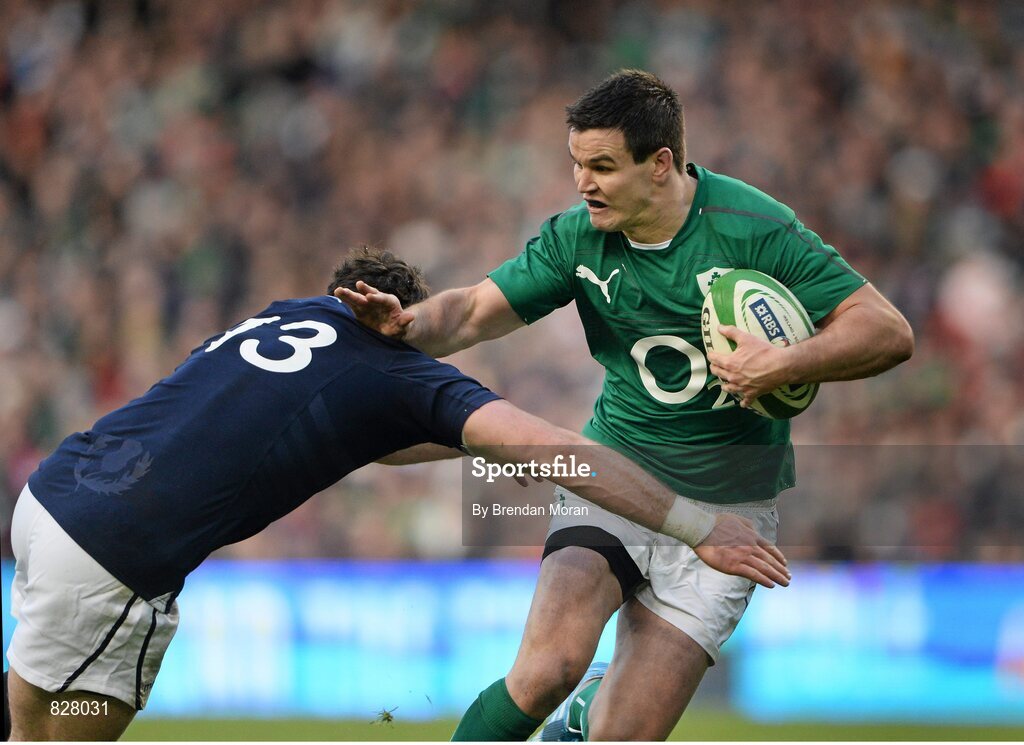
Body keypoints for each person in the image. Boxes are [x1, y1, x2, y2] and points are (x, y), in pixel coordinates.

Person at [3, 246, 789, 741]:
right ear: (410, 316)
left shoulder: (292, 317)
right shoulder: (403, 372)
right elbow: (560, 449)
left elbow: (365, 437)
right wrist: (694, 523)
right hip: (113, 560)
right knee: (70, 731)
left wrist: (473, 449)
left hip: (49, 501)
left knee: (30, 722)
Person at [337, 70, 915, 741]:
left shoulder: (754, 228)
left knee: (622, 736)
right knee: (546, 668)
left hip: (732, 512)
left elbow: (887, 330)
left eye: (604, 167)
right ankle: (567, 696)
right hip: (618, 475)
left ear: (660, 163)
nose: (584, 183)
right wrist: (406, 324)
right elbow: (469, 312)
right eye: (578, 164)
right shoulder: (576, 238)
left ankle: (587, 714)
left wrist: (784, 361)